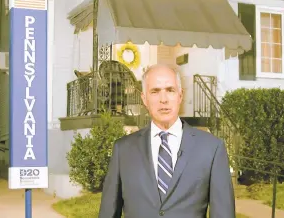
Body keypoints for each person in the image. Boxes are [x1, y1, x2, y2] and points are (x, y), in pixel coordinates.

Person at [98, 64, 235, 218]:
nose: (163, 99)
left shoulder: (211, 149)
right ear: (144, 99)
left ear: (180, 96)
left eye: (170, 90)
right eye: (155, 92)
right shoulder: (123, 150)